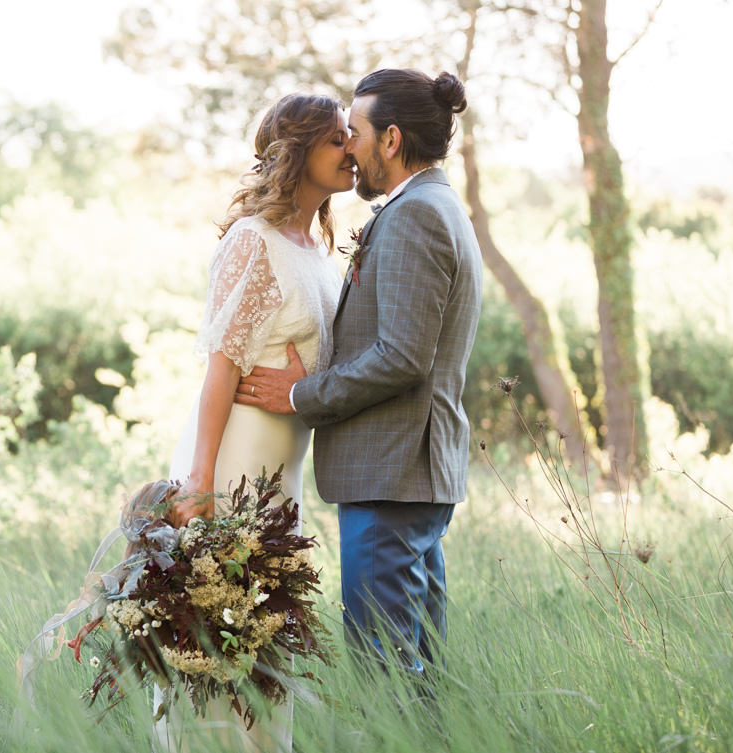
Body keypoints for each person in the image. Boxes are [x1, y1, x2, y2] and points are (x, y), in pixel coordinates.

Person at [235, 68, 483, 682]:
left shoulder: (415, 215)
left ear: (392, 140)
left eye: (358, 132)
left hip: (391, 472)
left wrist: (299, 394)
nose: (350, 146)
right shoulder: (432, 205)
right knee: (415, 661)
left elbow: (401, 356)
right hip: (407, 472)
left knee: (385, 668)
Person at [160, 93, 354, 753]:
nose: (351, 147)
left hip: (282, 479)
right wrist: (198, 481)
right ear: (297, 154)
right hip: (235, 465)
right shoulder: (254, 240)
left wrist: (309, 386)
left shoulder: (314, 245)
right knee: (220, 639)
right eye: (336, 137)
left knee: (269, 644)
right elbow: (222, 368)